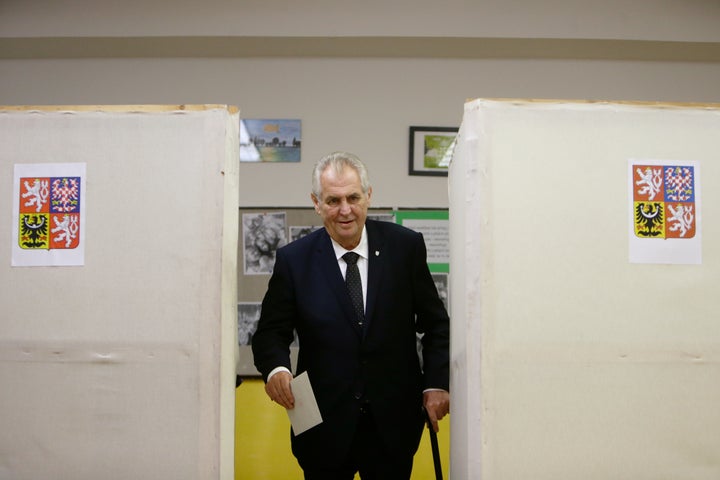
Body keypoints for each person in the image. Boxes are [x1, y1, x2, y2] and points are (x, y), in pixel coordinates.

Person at [252, 151, 450, 479]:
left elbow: (436, 324)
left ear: (368, 196)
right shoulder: (294, 260)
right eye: (333, 200)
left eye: (353, 197)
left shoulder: (405, 248)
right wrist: (276, 369)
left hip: (393, 424)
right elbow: (271, 333)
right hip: (321, 427)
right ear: (316, 203)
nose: (345, 210)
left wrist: (436, 383)